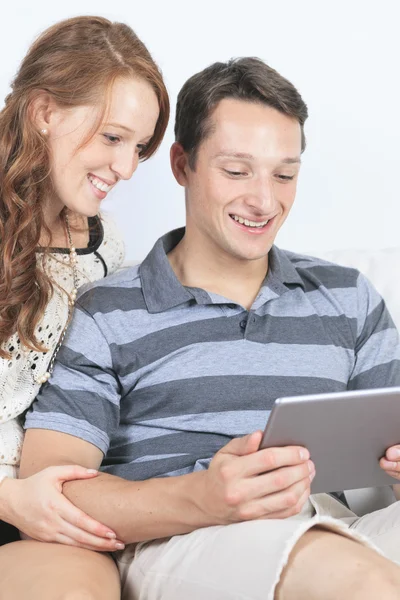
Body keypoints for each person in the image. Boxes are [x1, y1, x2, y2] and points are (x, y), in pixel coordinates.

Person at [3, 57, 400, 600]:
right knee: (357, 580)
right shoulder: (106, 309)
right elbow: (52, 491)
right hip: (192, 537)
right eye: (237, 171)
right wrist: (203, 496)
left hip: (340, 522)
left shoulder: (348, 296)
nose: (265, 200)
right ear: (181, 164)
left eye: (284, 174)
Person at [0, 13, 169, 565]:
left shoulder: (104, 247)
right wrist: (11, 499)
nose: (126, 167)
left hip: (53, 501)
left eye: (139, 146)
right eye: (113, 137)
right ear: (45, 112)